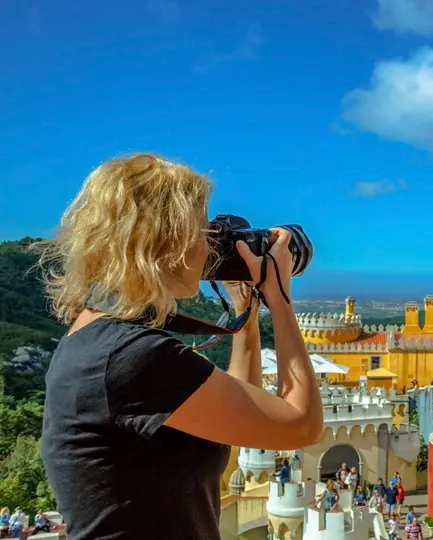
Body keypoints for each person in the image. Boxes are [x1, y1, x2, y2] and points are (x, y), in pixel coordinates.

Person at [35, 154, 326, 539]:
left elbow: (240, 420)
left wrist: (248, 315)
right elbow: (301, 426)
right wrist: (280, 299)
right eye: (203, 232)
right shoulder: (131, 356)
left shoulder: (100, 338)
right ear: (166, 241)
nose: (211, 248)